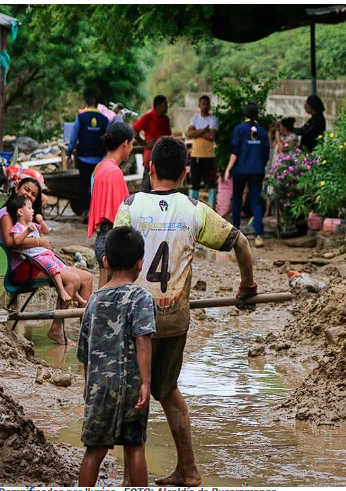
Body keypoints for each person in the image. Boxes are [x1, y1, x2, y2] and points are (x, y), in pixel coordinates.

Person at [114, 136, 258, 486]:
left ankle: (133, 476)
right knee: (167, 389)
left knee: (137, 392)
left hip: (134, 319)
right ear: (185, 172)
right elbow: (240, 241)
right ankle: (188, 469)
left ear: (149, 169)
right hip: (172, 319)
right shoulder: (194, 209)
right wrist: (248, 286)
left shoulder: (131, 206)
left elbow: (113, 263)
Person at [76, 226, 156, 487]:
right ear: (140, 263)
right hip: (132, 386)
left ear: (106, 262)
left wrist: (87, 384)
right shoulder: (141, 297)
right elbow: (143, 339)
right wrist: (146, 382)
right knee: (134, 446)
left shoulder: (94, 300)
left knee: (94, 450)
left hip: (100, 387)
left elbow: (84, 349)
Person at [0, 176, 93, 345]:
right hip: (23, 266)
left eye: (34, 194)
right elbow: (12, 243)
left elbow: (45, 201)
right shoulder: (6, 213)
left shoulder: (27, 215)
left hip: (37, 261)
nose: (31, 196)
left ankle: (87, 333)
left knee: (87, 278)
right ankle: (56, 329)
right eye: (27, 190)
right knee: (73, 279)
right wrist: (40, 242)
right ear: (17, 187)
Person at [7, 195, 85, 306]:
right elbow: (17, 241)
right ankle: (62, 291)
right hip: (36, 257)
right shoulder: (18, 228)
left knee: (63, 266)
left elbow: (45, 231)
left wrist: (42, 221)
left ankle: (75, 295)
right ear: (20, 212)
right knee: (54, 268)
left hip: (46, 253)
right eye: (29, 208)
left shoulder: (32, 224)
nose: (33, 211)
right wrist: (27, 231)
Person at [87, 122, 134, 288]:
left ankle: (91, 314)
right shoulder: (114, 172)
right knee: (111, 291)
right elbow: (121, 214)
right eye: (132, 143)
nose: (132, 148)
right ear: (125, 144)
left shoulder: (100, 167)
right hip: (111, 238)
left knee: (102, 291)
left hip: (101, 237)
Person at [223, 103, 271, 247]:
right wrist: (258, 164)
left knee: (237, 200)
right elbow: (266, 154)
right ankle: (258, 236)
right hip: (257, 170)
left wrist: (228, 169)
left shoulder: (239, 130)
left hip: (240, 170)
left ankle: (237, 235)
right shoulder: (262, 131)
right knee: (256, 202)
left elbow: (235, 151)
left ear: (244, 114)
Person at [66, 94, 110, 219]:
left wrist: (69, 153)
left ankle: (86, 211)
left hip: (83, 157)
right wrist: (107, 156)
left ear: (86, 105)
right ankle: (97, 212)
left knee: (84, 185)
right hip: (99, 158)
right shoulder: (104, 119)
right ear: (97, 106)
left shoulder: (80, 118)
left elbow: (73, 137)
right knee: (98, 185)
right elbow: (108, 139)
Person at [132, 95, 171, 191]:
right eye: (165, 104)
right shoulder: (147, 117)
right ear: (158, 105)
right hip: (151, 155)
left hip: (164, 156)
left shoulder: (166, 119)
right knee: (146, 183)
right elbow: (134, 130)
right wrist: (143, 143)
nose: (167, 107)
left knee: (162, 184)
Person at [186, 95, 219, 210]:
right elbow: (189, 133)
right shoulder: (194, 118)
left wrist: (197, 132)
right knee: (194, 182)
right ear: (199, 105)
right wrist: (204, 130)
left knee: (211, 182)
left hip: (209, 155)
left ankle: (212, 207)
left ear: (209, 105)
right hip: (196, 155)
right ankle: (192, 207)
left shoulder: (213, 119)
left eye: (206, 104)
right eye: (202, 104)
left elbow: (212, 136)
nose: (204, 106)